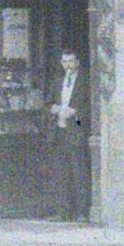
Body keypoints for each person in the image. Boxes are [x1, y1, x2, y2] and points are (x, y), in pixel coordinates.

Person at [47, 47, 89, 221]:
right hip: (59, 132)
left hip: (76, 130)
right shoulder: (58, 81)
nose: (67, 65)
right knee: (61, 173)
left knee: (78, 172)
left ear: (77, 63)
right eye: (64, 61)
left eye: (71, 61)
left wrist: (76, 112)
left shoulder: (85, 81)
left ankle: (81, 213)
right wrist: (53, 108)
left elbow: (90, 105)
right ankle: (62, 212)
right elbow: (48, 102)